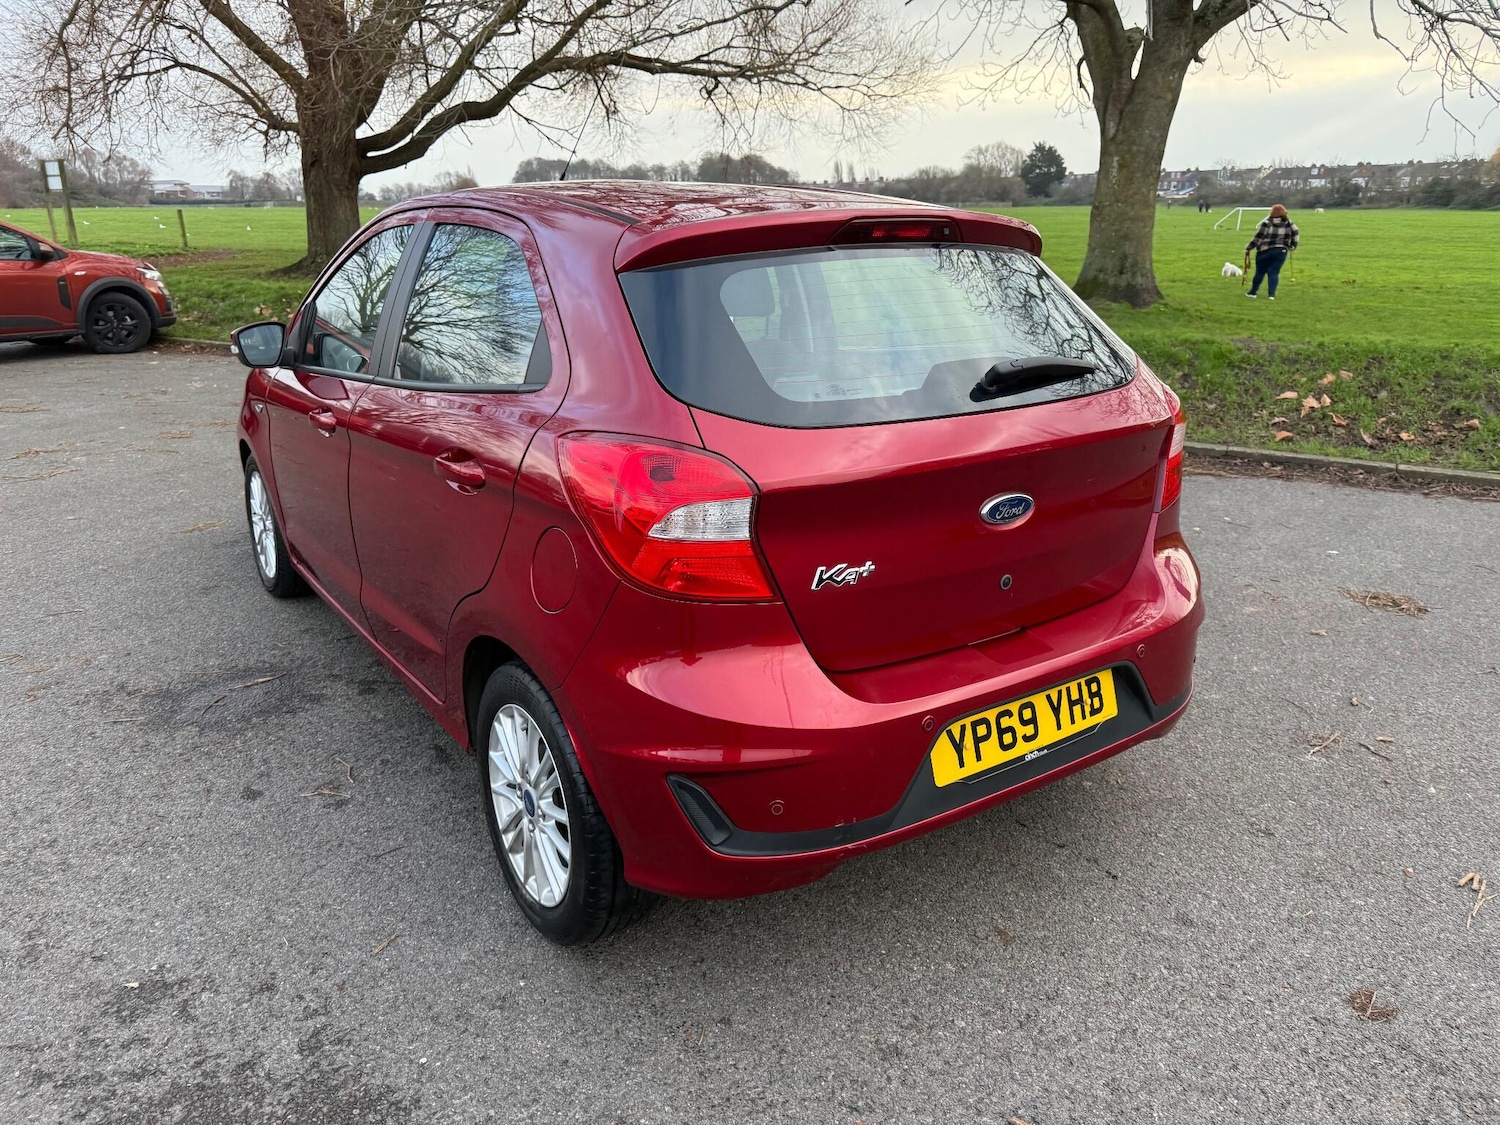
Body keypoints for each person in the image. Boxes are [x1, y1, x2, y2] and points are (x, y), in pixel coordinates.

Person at [1244, 204, 1299, 300]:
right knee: (1274, 273)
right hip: (1281, 250)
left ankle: (1253, 292)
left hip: (1264, 250)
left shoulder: (1267, 223)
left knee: (1260, 272)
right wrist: (1292, 245)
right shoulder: (1289, 223)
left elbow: (1259, 237)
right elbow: (1296, 233)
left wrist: (1249, 247)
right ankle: (1271, 295)